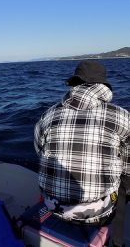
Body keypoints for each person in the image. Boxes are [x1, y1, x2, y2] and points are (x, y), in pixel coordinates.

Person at [34, 60, 130, 229]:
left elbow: (39, 150)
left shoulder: (47, 115)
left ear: (74, 85)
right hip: (98, 213)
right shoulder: (122, 116)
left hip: (51, 206)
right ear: (103, 86)